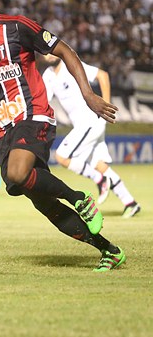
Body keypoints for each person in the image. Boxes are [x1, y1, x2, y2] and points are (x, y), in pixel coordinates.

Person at [0, 0, 125, 272]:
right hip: (3, 130)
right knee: (43, 204)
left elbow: (64, 50)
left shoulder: (16, 27)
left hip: (34, 115)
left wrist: (88, 94)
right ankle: (109, 250)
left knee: (18, 173)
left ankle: (80, 198)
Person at [40, 54, 141, 218]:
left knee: (61, 156)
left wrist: (105, 107)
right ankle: (130, 202)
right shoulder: (48, 75)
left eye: (50, 51)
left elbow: (103, 75)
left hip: (90, 120)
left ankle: (99, 180)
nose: (48, 55)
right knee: (98, 165)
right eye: (44, 53)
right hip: (83, 124)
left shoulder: (71, 66)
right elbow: (43, 100)